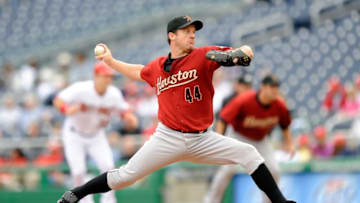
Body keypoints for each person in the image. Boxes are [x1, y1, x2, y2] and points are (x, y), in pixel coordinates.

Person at [57, 16, 295, 203]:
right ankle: (76, 194)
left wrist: (238, 55)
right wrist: (110, 62)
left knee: (250, 154)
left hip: (203, 139)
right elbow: (138, 71)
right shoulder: (158, 67)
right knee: (125, 177)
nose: (192, 36)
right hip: (167, 137)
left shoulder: (204, 55)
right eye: (186, 32)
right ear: (172, 36)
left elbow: (245, 54)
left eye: (194, 32)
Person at [54, 61, 137, 203]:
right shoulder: (81, 89)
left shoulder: (113, 94)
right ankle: (84, 201)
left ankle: (109, 200)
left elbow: (124, 110)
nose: (108, 79)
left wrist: (129, 117)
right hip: (74, 134)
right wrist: (66, 110)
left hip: (96, 135)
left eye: (110, 77)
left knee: (108, 167)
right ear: (96, 76)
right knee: (78, 172)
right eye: (105, 76)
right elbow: (58, 100)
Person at [204, 74, 295, 203]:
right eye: (271, 86)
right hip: (238, 136)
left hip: (261, 140)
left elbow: (285, 125)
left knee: (274, 170)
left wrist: (290, 144)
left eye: (276, 87)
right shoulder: (245, 99)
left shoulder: (279, 105)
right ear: (262, 87)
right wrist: (219, 138)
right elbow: (223, 119)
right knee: (227, 170)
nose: (274, 90)